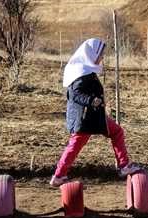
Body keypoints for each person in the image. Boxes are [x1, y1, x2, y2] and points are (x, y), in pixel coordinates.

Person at [50, 38, 141, 187]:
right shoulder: (81, 73)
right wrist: (92, 100)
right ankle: (58, 176)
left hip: (92, 117)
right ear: (91, 55)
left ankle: (124, 166)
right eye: (100, 54)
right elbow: (75, 95)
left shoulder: (85, 70)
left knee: (117, 132)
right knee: (74, 146)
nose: (102, 57)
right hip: (84, 118)